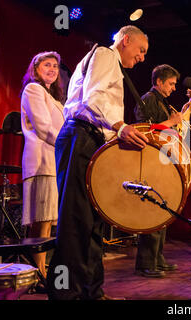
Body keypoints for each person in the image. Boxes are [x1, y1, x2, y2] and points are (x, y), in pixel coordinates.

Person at [46, 25, 149, 300]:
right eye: (141, 50)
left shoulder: (114, 65)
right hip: (80, 137)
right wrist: (121, 126)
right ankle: (66, 294)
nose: (141, 58)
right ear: (126, 40)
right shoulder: (105, 54)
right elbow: (94, 99)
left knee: (93, 223)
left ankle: (93, 292)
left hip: (92, 141)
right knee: (75, 222)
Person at [134, 64, 191, 278]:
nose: (173, 88)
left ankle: (157, 258)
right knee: (152, 211)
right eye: (170, 84)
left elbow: (172, 128)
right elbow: (144, 129)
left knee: (162, 209)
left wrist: (183, 115)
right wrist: (171, 121)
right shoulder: (148, 99)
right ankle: (146, 262)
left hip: (163, 159)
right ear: (159, 82)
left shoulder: (163, 101)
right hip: (151, 160)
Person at [20, 51, 65, 279]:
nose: (52, 69)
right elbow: (43, 126)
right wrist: (65, 147)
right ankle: (39, 275)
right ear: (35, 69)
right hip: (41, 161)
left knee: (45, 222)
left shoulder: (55, 99)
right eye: (47, 65)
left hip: (51, 161)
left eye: (55, 66)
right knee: (42, 222)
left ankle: (37, 272)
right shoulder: (34, 89)